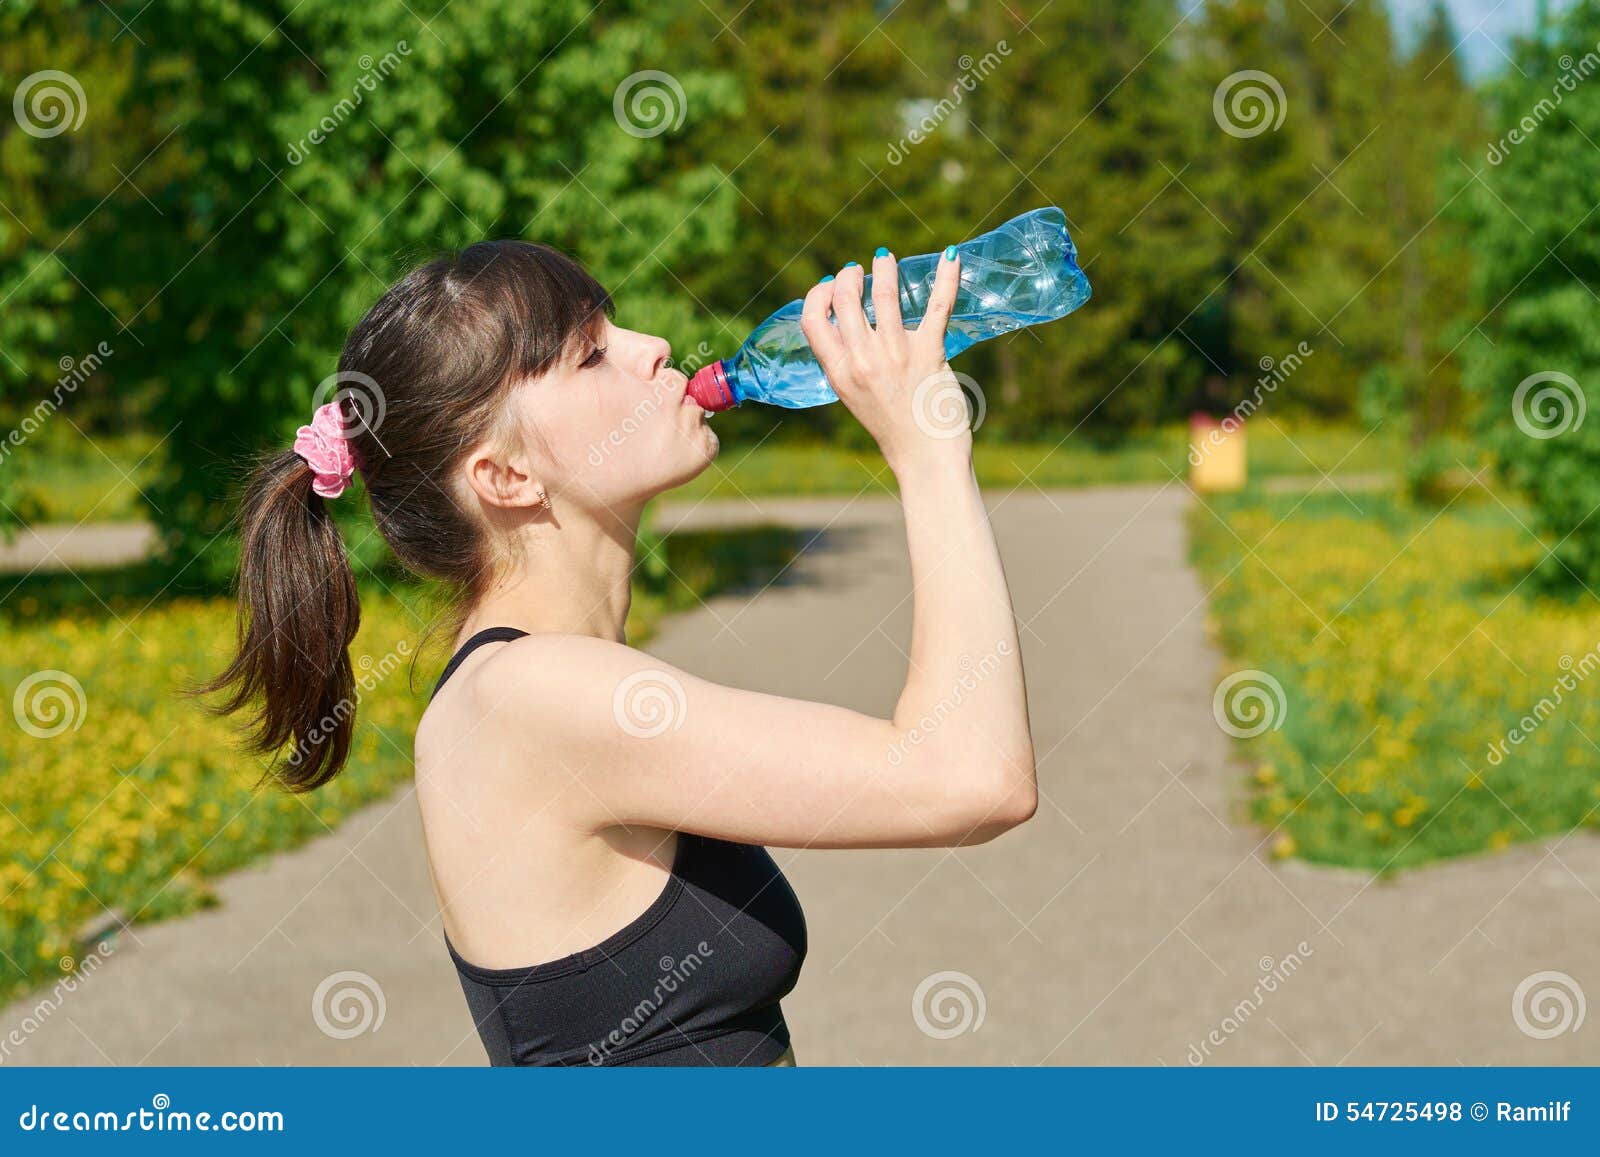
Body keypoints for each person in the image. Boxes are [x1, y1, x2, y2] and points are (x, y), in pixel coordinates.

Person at [197, 238, 1038, 1066]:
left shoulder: (537, 680)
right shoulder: (536, 696)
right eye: (593, 355)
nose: (654, 349)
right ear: (506, 477)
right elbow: (972, 778)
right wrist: (927, 448)